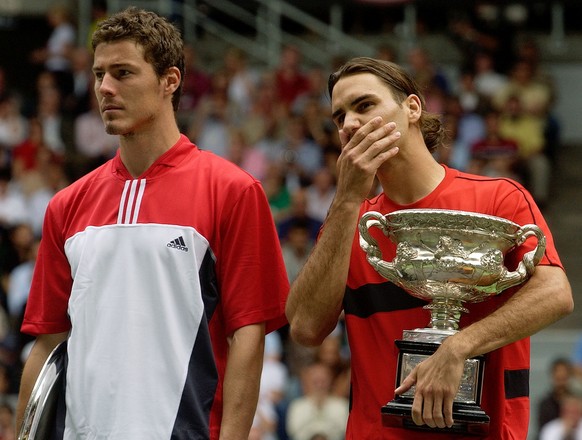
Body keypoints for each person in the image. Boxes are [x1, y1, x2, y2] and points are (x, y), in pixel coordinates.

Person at [16, 7, 289, 440]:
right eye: (99, 73)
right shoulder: (66, 205)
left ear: (170, 80)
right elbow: (48, 344)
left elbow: (247, 337)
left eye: (123, 73)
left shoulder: (233, 191)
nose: (105, 88)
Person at [285, 57, 573, 439]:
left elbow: (555, 293)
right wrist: (346, 200)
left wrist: (459, 347)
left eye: (364, 105)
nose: (350, 124)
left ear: (412, 108)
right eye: (339, 117)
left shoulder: (498, 198)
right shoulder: (350, 223)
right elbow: (304, 327)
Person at [537, 357, 576, 436]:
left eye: (564, 373)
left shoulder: (576, 401)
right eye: (558, 373)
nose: (561, 375)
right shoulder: (545, 404)